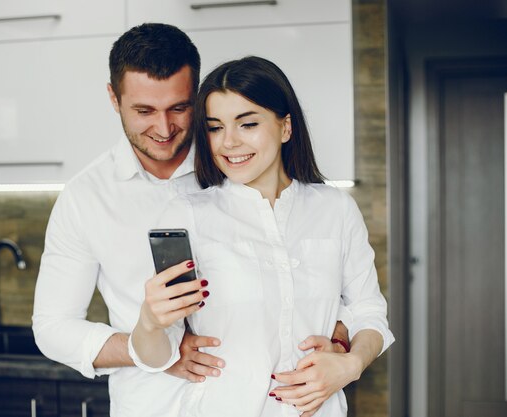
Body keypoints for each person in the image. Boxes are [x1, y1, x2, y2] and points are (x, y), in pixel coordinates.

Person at [33, 24, 350, 417]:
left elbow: (323, 279)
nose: (164, 129)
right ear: (114, 98)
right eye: (144, 111)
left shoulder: (242, 158)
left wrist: (343, 334)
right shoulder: (86, 198)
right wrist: (149, 349)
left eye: (179, 108)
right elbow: (53, 327)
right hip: (149, 405)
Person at [129, 56, 395, 417]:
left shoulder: (335, 208)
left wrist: (350, 365)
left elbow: (369, 311)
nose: (229, 142)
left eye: (247, 124)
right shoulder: (186, 214)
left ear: (286, 127)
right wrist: (149, 321)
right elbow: (159, 354)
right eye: (215, 127)